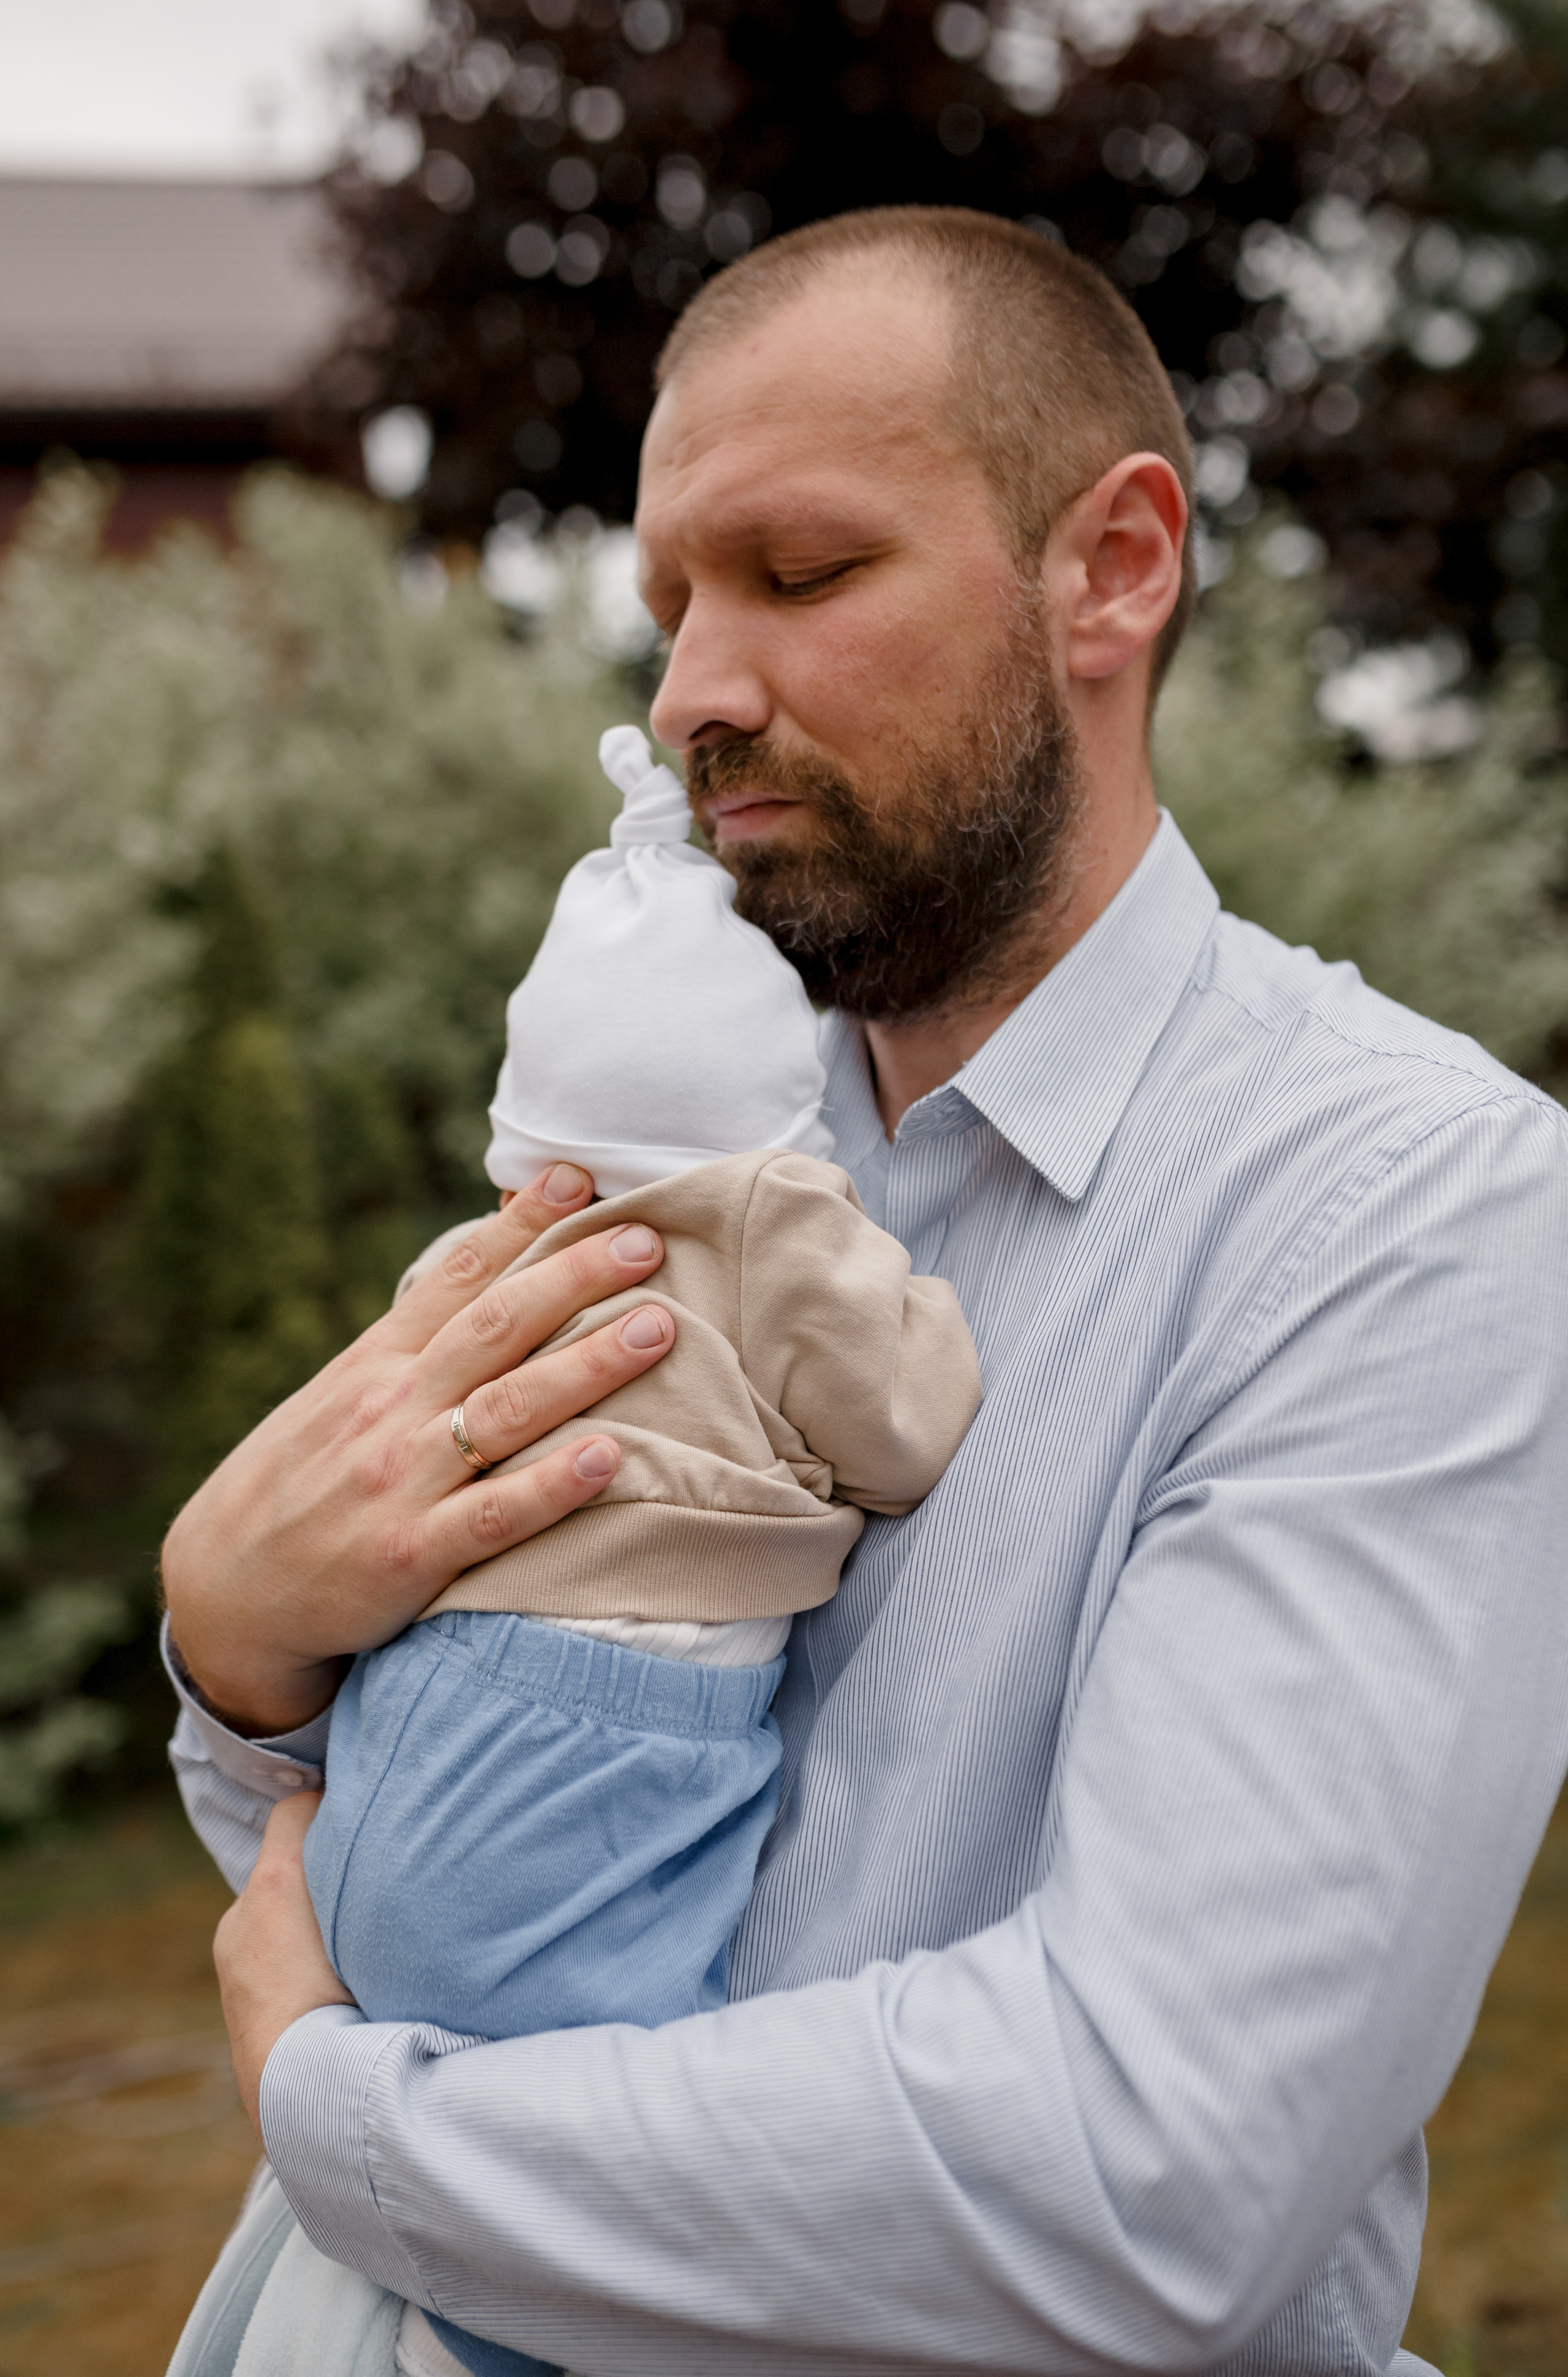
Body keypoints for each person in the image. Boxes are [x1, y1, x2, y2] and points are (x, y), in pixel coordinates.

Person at [164, 208, 1568, 2377]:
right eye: (669, 605)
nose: (691, 692)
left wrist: (357, 2119)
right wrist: (239, 1658)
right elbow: (392, 1843)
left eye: (800, 575)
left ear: (1112, 566)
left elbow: (1140, 2170)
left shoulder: (1407, 1214)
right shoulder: (657, 1135)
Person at [297, 720, 978, 2374]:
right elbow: (905, 1424)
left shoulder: (481, 1251)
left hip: (413, 1710)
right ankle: (505, 2340)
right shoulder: (766, 1220)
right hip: (613, 1724)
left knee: (444, 2009)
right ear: (771, 1095)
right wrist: (914, 1286)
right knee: (617, 2099)